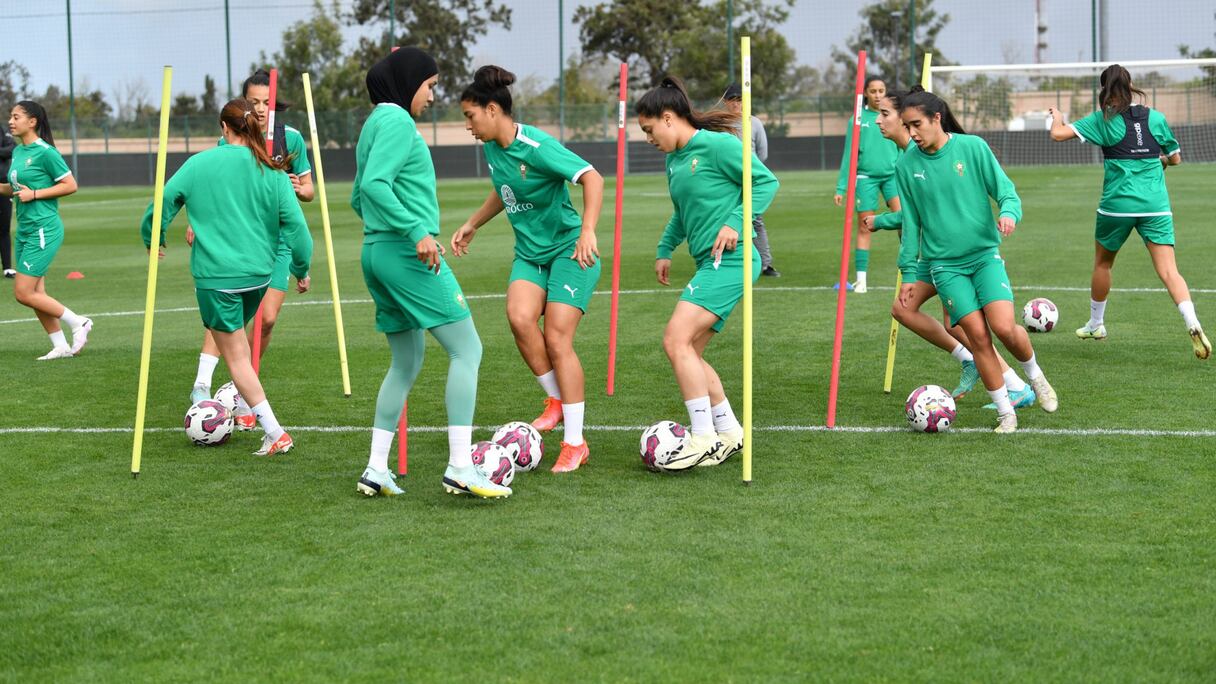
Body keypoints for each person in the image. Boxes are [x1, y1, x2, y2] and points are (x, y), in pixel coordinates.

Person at [352, 47, 510, 499]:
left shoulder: (373, 125)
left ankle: (376, 469)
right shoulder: (398, 122)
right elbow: (374, 185)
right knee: (468, 350)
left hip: (376, 252)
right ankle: (461, 466)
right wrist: (416, 231)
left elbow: (360, 198)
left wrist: (394, 230)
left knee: (406, 362)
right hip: (406, 253)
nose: (432, 95)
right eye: (430, 85)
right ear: (408, 83)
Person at [451, 65, 604, 473]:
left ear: (493, 110)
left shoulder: (537, 145)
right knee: (519, 318)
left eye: (470, 116)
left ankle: (575, 443)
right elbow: (505, 191)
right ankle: (555, 400)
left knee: (556, 337)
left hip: (571, 251)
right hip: (531, 254)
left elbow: (592, 177)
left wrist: (588, 231)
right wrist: (472, 224)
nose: (468, 125)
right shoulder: (491, 148)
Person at [140, 98, 313, 456]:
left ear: (224, 127)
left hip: (216, 279)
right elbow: (297, 229)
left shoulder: (200, 163)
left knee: (235, 356)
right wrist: (301, 267)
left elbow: (164, 201)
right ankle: (247, 410)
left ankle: (275, 432)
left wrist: (153, 236)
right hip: (259, 277)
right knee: (240, 347)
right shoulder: (272, 170)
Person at [637, 76, 779, 469]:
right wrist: (665, 249)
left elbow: (765, 182)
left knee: (674, 340)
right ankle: (730, 432)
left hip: (732, 260)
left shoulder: (718, 146)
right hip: (708, 262)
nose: (648, 139)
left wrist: (737, 220)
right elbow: (682, 213)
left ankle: (701, 439)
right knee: (691, 352)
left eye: (649, 130)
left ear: (668, 118)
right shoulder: (673, 161)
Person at [895, 90, 1058, 433]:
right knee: (978, 337)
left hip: (984, 257)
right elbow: (910, 222)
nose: (912, 133)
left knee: (1003, 327)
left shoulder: (973, 148)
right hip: (944, 266)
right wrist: (910, 272)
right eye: (907, 126)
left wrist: (1009, 213)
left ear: (937, 118)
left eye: (917, 124)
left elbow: (1006, 191)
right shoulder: (906, 165)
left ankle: (1036, 378)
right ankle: (1005, 413)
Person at [863, 88, 1035, 408]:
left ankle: (1011, 382)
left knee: (960, 325)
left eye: (885, 113)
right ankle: (982, 365)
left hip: (948, 253)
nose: (879, 121)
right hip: (934, 253)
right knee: (910, 312)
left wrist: (884, 221)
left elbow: (921, 214)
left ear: (912, 119)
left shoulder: (939, 149)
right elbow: (916, 215)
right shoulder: (907, 160)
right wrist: (887, 223)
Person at [1047, 64, 1209, 359]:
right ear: (1131, 84)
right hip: (1156, 207)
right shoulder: (1156, 117)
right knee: (1169, 271)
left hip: (1116, 207)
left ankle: (1096, 324)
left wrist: (1057, 117)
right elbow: (1176, 159)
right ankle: (1192, 321)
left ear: (1104, 89)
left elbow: (1057, 135)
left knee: (1103, 264)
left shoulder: (1102, 119)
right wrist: (1159, 161)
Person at [188, 69, 317, 411]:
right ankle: (202, 383)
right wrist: (196, 222)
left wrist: (295, 188)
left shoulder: (290, 139)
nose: (260, 108)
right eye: (254, 101)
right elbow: (209, 185)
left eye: (266, 101)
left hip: (277, 240)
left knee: (268, 318)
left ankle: (240, 383)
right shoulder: (228, 140)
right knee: (226, 309)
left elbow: (309, 191)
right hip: (238, 233)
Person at [0, 101, 92, 359]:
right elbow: (15, 189)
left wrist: (36, 194)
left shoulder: (46, 152)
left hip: (44, 229)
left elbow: (70, 184)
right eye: (10, 116)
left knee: (23, 292)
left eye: (16, 116)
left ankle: (79, 322)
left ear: (32, 122)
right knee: (36, 293)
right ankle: (60, 346)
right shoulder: (18, 152)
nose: (10, 120)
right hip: (25, 229)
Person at [834, 76, 900, 293]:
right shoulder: (858, 120)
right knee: (865, 226)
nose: (878, 95)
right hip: (866, 178)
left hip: (892, 176)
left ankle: (912, 269)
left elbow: (902, 146)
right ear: (865, 93)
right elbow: (848, 156)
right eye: (873, 91)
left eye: (881, 90)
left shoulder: (892, 117)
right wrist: (842, 187)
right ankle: (861, 280)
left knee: (904, 219)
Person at [722, 83, 778, 277]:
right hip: (726, 180)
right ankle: (725, 260)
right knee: (725, 218)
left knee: (755, 221)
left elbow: (762, 153)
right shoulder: (719, 124)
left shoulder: (753, 123)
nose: (736, 104)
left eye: (740, 100)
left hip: (749, 178)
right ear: (725, 102)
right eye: (732, 100)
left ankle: (765, 263)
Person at [0, 126, 14, 277]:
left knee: (4, 227)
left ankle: (7, 267)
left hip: (3, 184)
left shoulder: (1, 129)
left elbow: (12, 148)